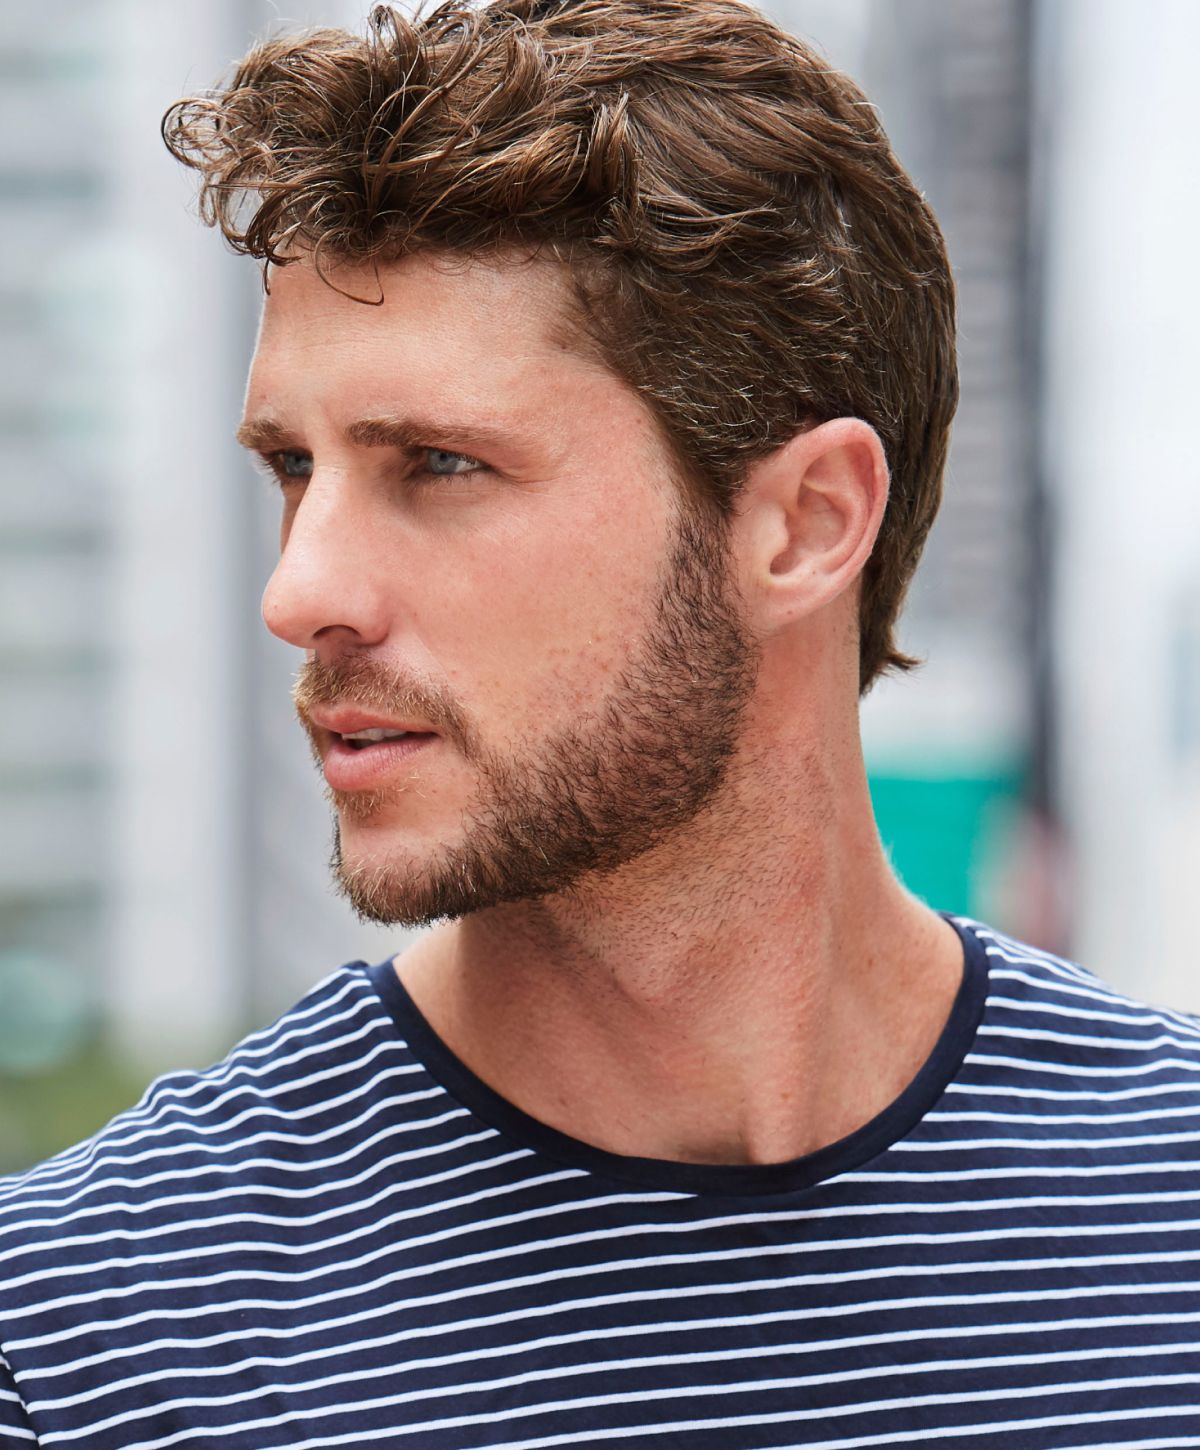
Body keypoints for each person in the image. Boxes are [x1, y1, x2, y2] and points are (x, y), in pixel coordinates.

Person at [2, 0, 1199, 1444]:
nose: (300, 591)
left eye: (437, 463)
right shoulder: (78, 1342)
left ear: (807, 524)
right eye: (293, 468)